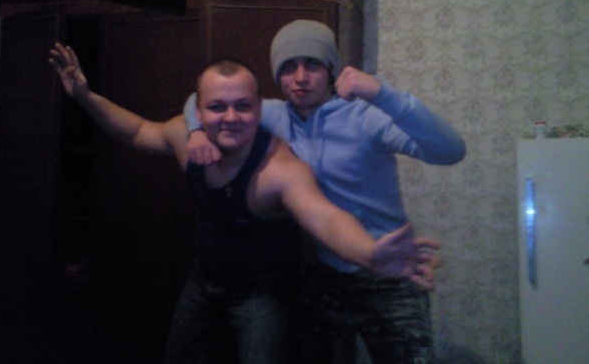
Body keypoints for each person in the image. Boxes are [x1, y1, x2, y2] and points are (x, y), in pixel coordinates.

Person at [48, 44, 441, 364]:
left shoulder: (279, 168)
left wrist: (369, 252)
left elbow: (325, 218)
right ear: (197, 111)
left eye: (243, 106)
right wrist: (85, 97)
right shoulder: (186, 139)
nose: (231, 118)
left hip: (262, 295)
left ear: (259, 107)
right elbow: (136, 131)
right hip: (204, 282)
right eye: (217, 107)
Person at [185, 19, 466, 363]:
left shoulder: (365, 116)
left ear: (331, 69)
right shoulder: (272, 115)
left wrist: (383, 94)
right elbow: (198, 99)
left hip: (387, 269)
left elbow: (450, 151)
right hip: (327, 271)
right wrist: (195, 131)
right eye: (289, 67)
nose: (300, 77)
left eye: (312, 65)